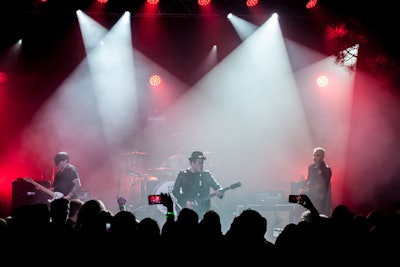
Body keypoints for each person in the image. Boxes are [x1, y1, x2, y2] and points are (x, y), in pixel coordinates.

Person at [172, 151, 224, 217]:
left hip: (204, 211)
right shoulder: (183, 175)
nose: (202, 165)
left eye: (202, 162)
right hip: (187, 211)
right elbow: (175, 191)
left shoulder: (206, 175)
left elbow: (218, 187)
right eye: (199, 163)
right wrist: (185, 202)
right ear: (192, 163)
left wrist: (220, 191)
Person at [299, 146, 332, 216]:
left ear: (323, 157)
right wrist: (303, 188)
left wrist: (308, 191)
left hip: (319, 197)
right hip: (310, 195)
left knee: (317, 215)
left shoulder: (326, 169)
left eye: (317, 156)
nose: (315, 157)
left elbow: (322, 186)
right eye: (314, 155)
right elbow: (309, 179)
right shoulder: (311, 167)